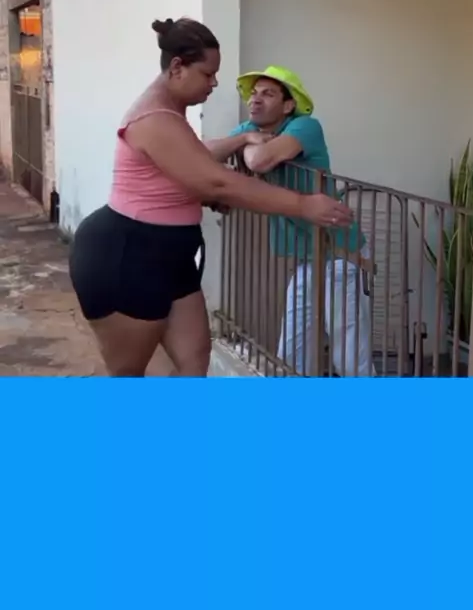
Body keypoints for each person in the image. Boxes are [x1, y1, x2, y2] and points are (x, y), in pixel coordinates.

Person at [69, 24, 354, 378]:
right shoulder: (154, 118)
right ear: (177, 67)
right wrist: (303, 205)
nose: (215, 83)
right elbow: (216, 181)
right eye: (208, 74)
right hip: (128, 256)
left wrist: (234, 149)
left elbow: (191, 162)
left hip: (172, 258)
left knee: (194, 359)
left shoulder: (170, 112)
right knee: (129, 373)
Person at [206, 65, 376, 377]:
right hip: (307, 258)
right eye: (254, 93)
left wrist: (247, 147)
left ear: (288, 105)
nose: (255, 100)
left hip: (341, 255)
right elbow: (203, 154)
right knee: (293, 352)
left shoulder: (305, 126)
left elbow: (261, 160)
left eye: (268, 94)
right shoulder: (250, 128)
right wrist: (244, 136)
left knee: (350, 356)